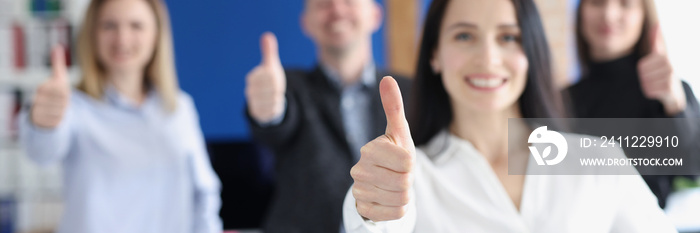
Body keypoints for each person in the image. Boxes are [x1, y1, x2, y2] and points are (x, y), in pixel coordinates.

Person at [342, 0, 676, 232]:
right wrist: (370, 208)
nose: (488, 58)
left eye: (508, 37)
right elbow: (373, 224)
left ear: (531, 52)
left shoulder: (596, 159)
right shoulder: (410, 177)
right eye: (464, 36)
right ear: (434, 55)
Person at [19, 0, 222, 232]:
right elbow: (41, 152)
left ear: (156, 34)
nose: (122, 39)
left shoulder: (179, 108)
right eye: (109, 26)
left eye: (136, 26)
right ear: (92, 34)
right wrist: (43, 122)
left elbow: (204, 192)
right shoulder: (74, 108)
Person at [243, 0, 411, 231]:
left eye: (349, 2)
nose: (337, 10)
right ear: (306, 23)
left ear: (375, 15)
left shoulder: (409, 94)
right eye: (323, 4)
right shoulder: (290, 88)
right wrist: (269, 110)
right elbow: (277, 121)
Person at [566, 0, 700, 208]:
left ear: (644, 16)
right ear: (580, 11)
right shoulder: (560, 101)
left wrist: (675, 109)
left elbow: (693, 174)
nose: (609, 15)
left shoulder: (674, 94)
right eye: (597, 2)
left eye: (625, 3)